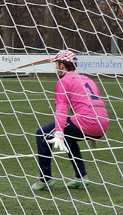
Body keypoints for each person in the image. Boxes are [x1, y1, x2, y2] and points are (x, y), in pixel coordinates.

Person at [31, 50, 109, 191]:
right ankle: (81, 176)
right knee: (69, 138)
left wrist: (59, 132)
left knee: (41, 134)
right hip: (102, 123)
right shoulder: (87, 79)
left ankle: (45, 179)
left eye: (56, 64)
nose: (55, 67)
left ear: (62, 66)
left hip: (86, 122)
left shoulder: (64, 81)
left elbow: (61, 110)